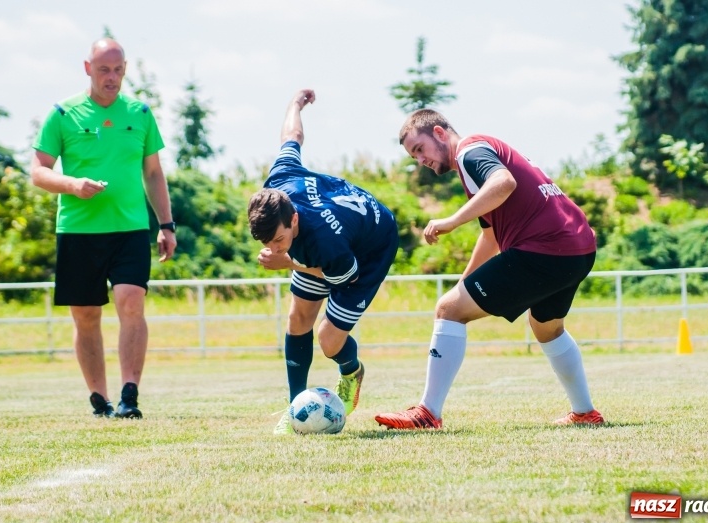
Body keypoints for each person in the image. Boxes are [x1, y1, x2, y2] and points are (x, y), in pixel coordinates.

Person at [374, 109, 603, 429]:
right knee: (546, 328)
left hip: (545, 249)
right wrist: (463, 285)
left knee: (448, 311)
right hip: (577, 249)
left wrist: (452, 221)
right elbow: (491, 236)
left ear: (439, 133)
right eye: (414, 156)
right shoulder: (478, 158)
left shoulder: (469, 152)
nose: (420, 160)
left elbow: (503, 182)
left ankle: (427, 413)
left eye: (420, 149)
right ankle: (585, 412)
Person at [30, 38, 176, 419]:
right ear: (87, 69)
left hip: (130, 229)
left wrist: (166, 224)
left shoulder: (140, 113)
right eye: (103, 70)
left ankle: (130, 395)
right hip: (77, 231)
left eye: (117, 70)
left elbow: (153, 173)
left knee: (131, 300)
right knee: (86, 316)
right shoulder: (63, 114)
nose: (111, 77)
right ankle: (100, 398)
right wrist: (72, 184)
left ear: (125, 70)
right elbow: (38, 171)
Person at [248, 89, 399, 435]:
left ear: (294, 219)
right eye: (267, 243)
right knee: (298, 317)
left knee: (328, 338)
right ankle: (294, 409)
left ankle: (352, 372)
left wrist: (289, 264)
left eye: (278, 240)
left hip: (370, 247)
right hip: (332, 237)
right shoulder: (280, 180)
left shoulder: (323, 240)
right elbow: (292, 137)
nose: (273, 248)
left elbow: (345, 277)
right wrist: (295, 104)